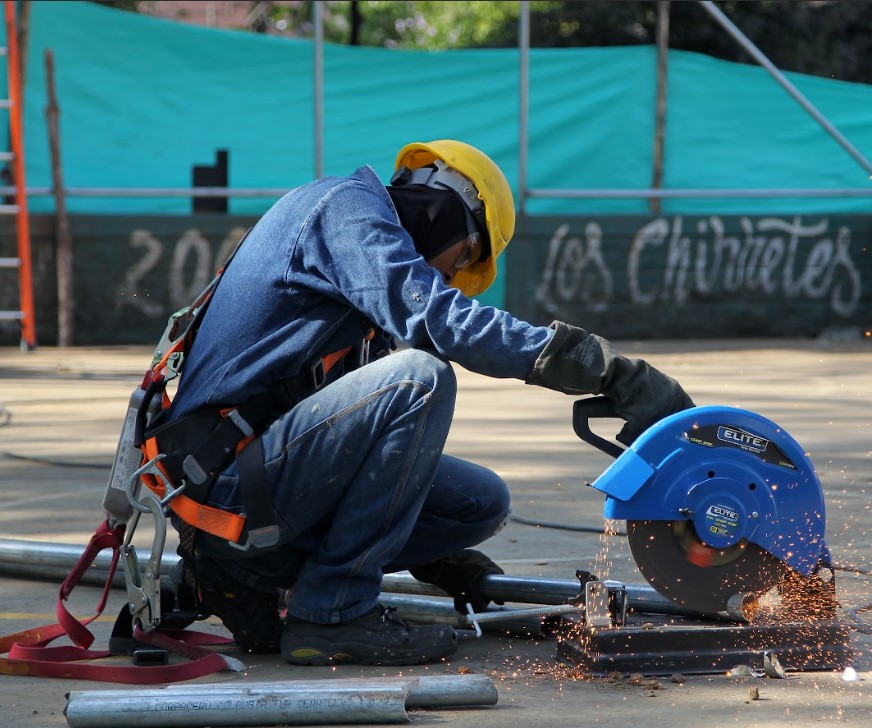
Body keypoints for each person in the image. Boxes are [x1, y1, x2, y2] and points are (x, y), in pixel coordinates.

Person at [152, 139, 694, 666]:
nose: (450, 276)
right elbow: (438, 319)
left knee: (479, 501)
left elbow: (359, 446)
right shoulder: (343, 209)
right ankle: (332, 614)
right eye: (463, 257)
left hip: (258, 482)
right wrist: (609, 372)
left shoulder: (360, 281)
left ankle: (273, 582)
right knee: (419, 379)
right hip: (225, 489)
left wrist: (438, 558)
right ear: (449, 213)